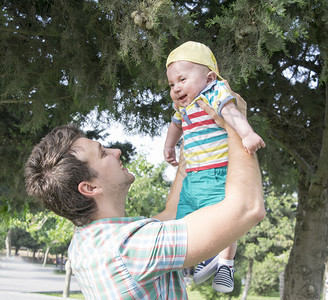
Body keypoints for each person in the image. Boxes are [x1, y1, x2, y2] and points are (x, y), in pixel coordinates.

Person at [24, 96, 265, 299]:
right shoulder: (128, 249)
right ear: (89, 187)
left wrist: (192, 140)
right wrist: (236, 122)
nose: (116, 151)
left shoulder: (87, 242)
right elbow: (247, 208)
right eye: (103, 153)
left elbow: (172, 213)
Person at [164, 41, 265, 293]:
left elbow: (232, 113)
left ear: (209, 77)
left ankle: (225, 264)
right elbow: (175, 125)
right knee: (183, 218)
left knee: (224, 218)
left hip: (217, 171)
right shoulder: (183, 105)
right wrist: (169, 146)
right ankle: (204, 256)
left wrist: (248, 134)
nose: (176, 88)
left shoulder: (214, 92)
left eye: (182, 79)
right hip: (192, 176)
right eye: (171, 84)